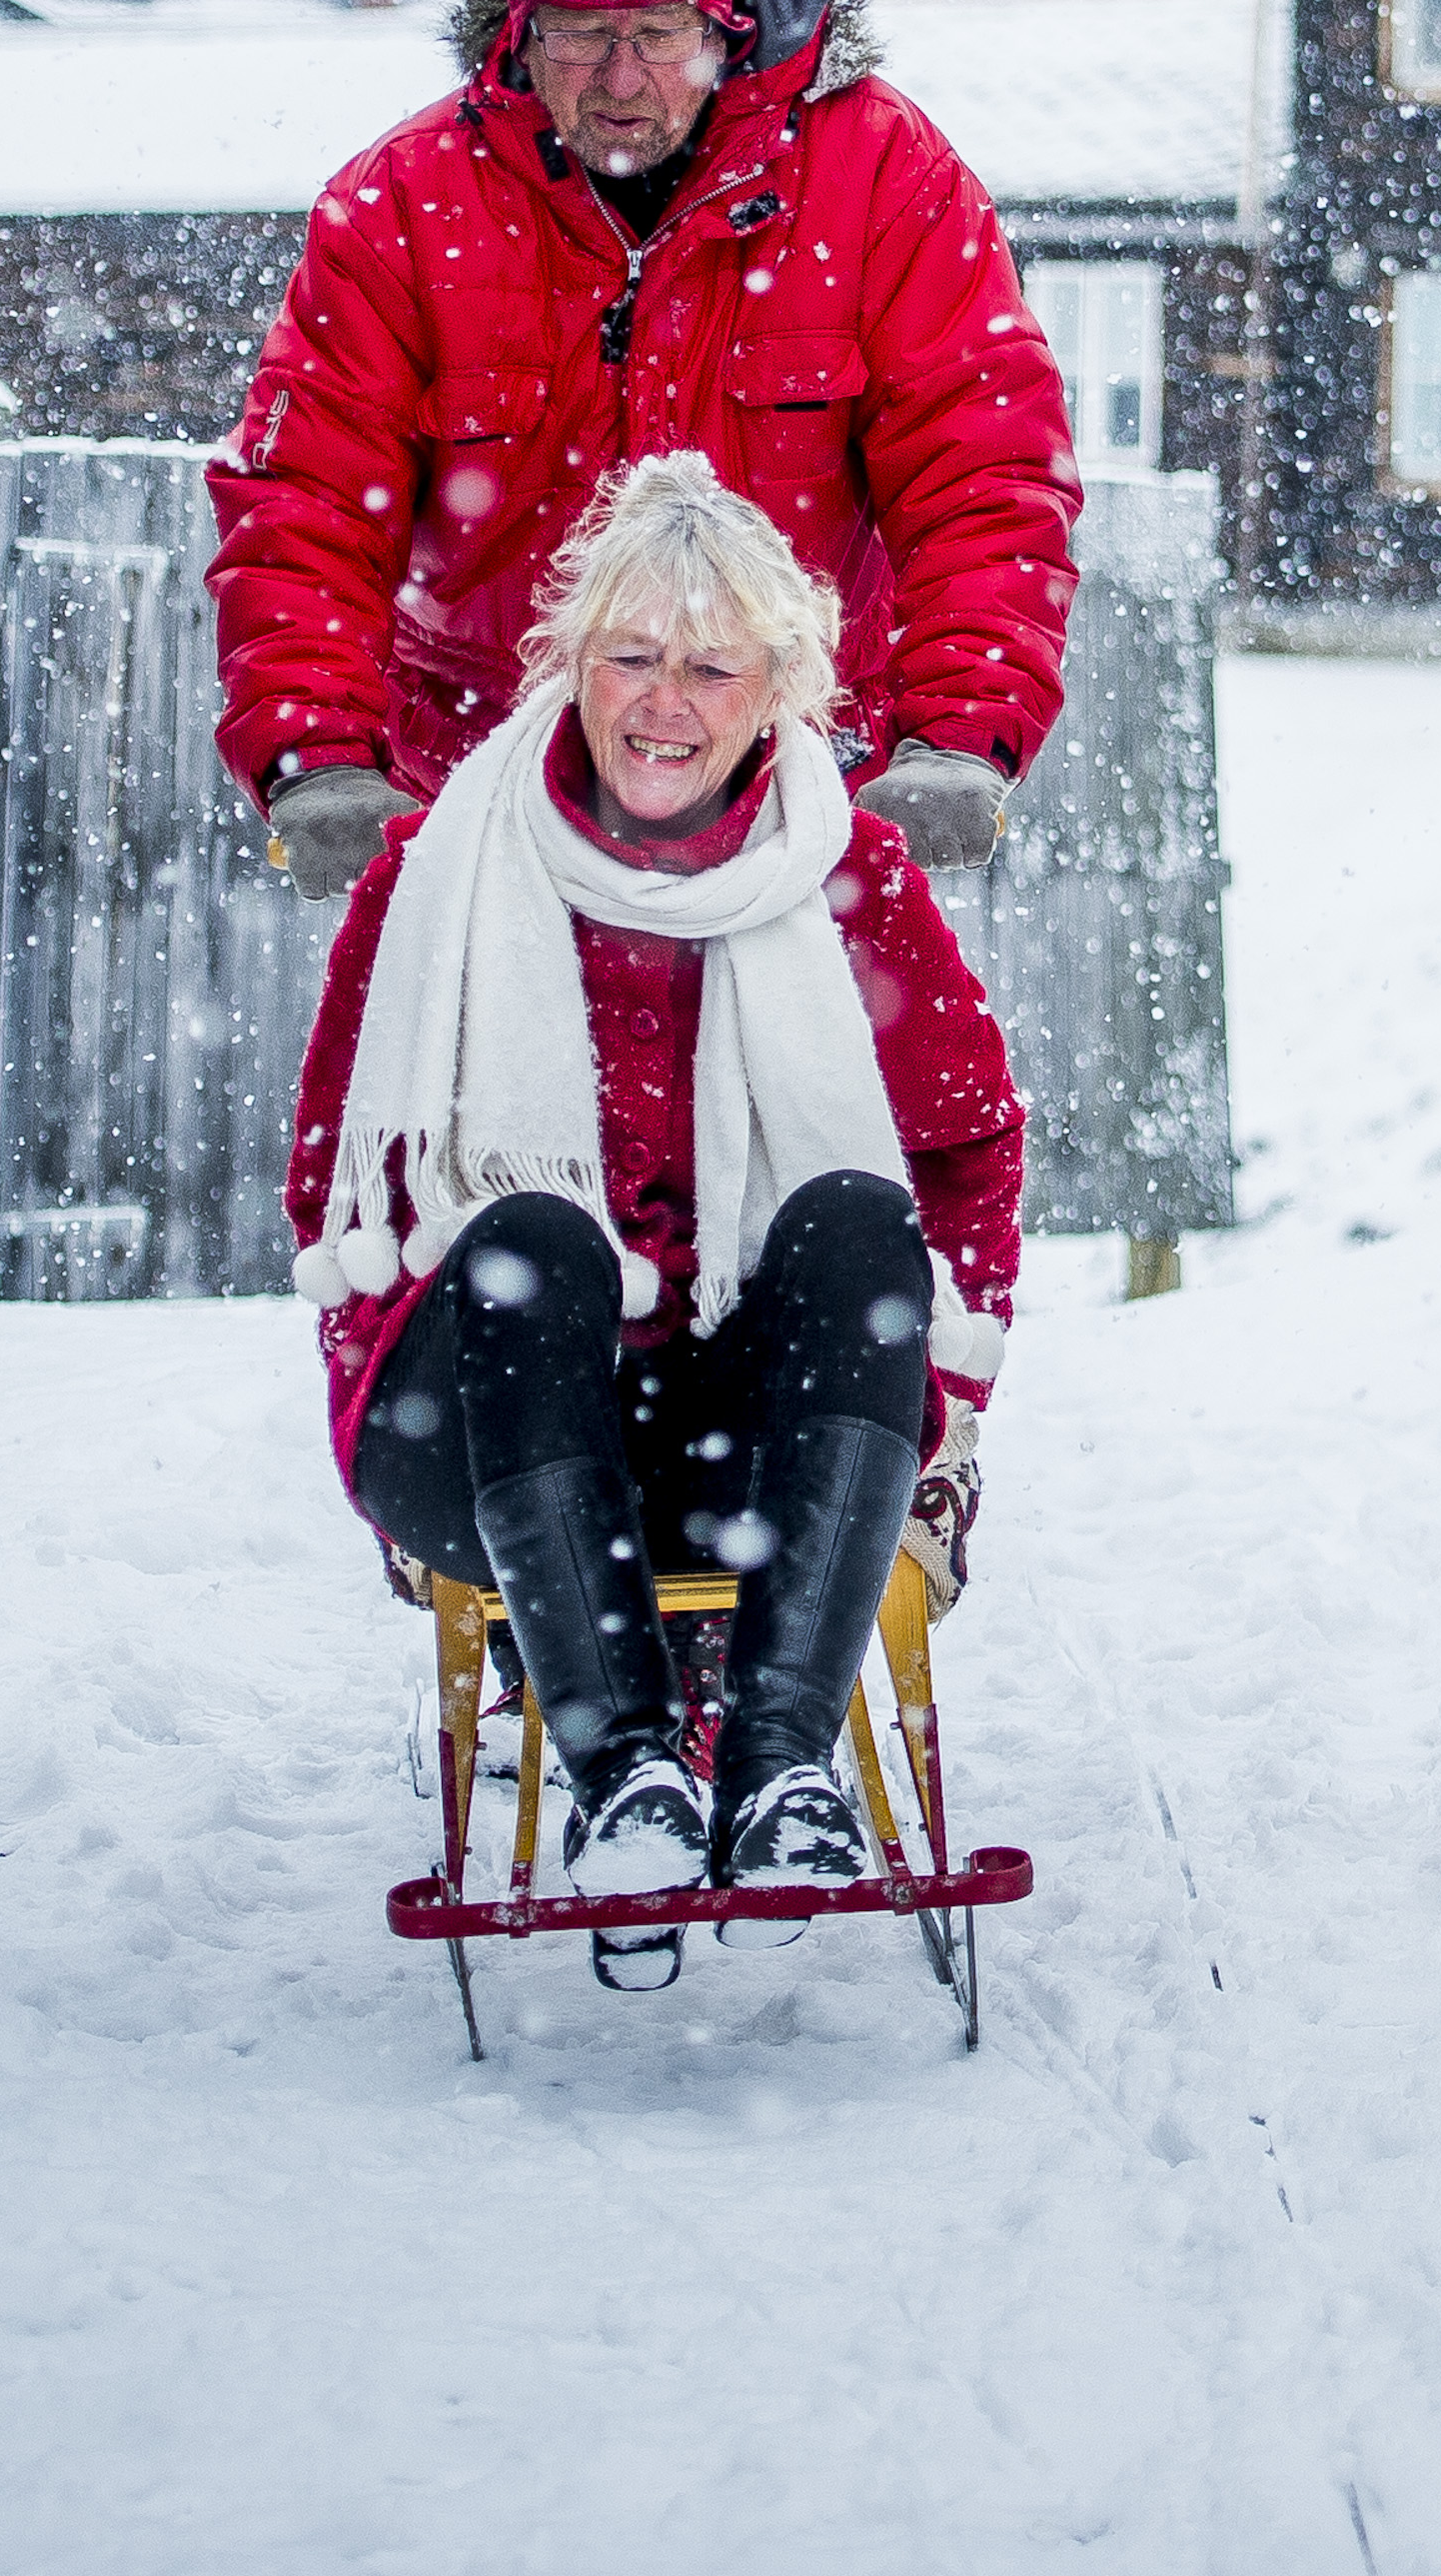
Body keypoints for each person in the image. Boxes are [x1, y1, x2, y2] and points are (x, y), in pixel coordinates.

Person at [287, 455, 1020, 1901]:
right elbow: (336, 1173)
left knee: (866, 1211)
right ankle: (623, 1771)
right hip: (486, 1422)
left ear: (777, 690)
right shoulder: (445, 866)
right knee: (532, 1239)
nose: (664, 704)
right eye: (629, 656)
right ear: (569, 664)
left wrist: (944, 1410)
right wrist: (376, 1346)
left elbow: (966, 1155)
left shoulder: (849, 872)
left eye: (709, 667)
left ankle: (781, 1767)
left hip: (758, 1439)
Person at [208, 0, 1077, 898]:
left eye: (661, 33)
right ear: (520, 32)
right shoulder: (399, 208)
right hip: (485, 810)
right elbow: (308, 501)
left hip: (799, 805)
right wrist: (321, 757)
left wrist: (958, 737)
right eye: (582, 36)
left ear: (723, 25)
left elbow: (982, 471)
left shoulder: (884, 177)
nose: (623, 80)